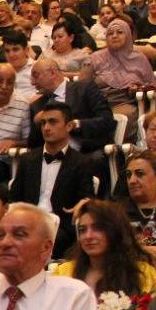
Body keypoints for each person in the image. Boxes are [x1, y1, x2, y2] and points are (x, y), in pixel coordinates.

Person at [9, 101, 95, 257]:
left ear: (69, 126)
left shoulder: (81, 162)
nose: (46, 128)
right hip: (27, 223)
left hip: (61, 228)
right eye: (43, 123)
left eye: (53, 122)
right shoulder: (28, 159)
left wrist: (85, 203)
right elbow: (15, 198)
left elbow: (87, 198)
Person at [80, 19, 156, 138]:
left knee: (122, 117)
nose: (115, 36)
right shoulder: (94, 58)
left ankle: (116, 151)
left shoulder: (139, 58)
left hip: (123, 103)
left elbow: (152, 87)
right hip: (96, 105)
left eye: (120, 32)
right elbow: (81, 87)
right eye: (110, 33)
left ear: (128, 35)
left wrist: (138, 89)